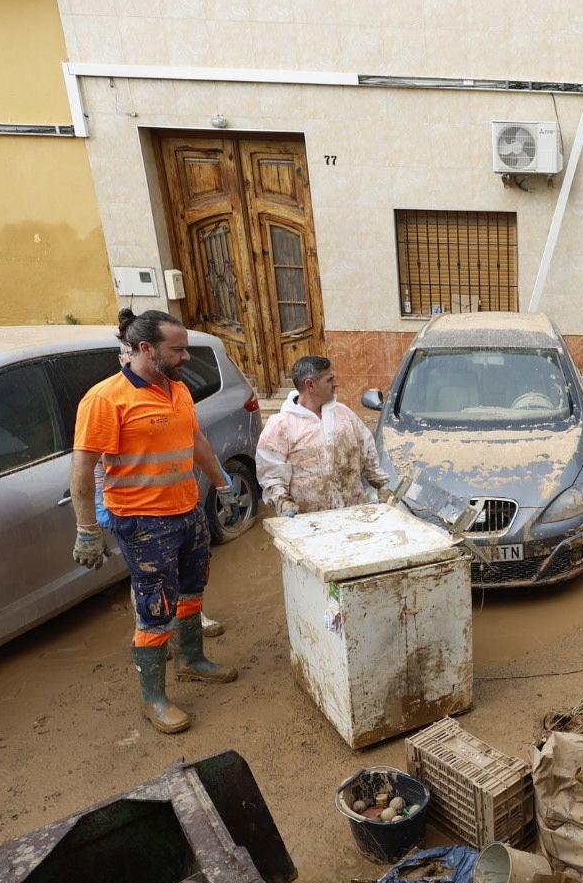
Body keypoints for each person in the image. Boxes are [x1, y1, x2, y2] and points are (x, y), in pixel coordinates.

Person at [70, 309, 248, 734]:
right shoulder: (104, 399)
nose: (186, 357)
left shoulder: (178, 389)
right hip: (144, 523)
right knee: (154, 608)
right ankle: (153, 698)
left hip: (187, 511)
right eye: (179, 349)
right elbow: (82, 470)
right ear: (146, 349)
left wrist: (222, 484)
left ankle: (191, 660)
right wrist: (86, 530)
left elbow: (196, 440)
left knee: (192, 589)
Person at [257, 355, 389, 517]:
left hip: (353, 513)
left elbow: (367, 451)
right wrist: (282, 501)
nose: (336, 384)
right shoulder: (281, 425)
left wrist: (382, 485)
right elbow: (270, 472)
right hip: (310, 521)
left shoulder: (344, 414)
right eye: (329, 380)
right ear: (310, 385)